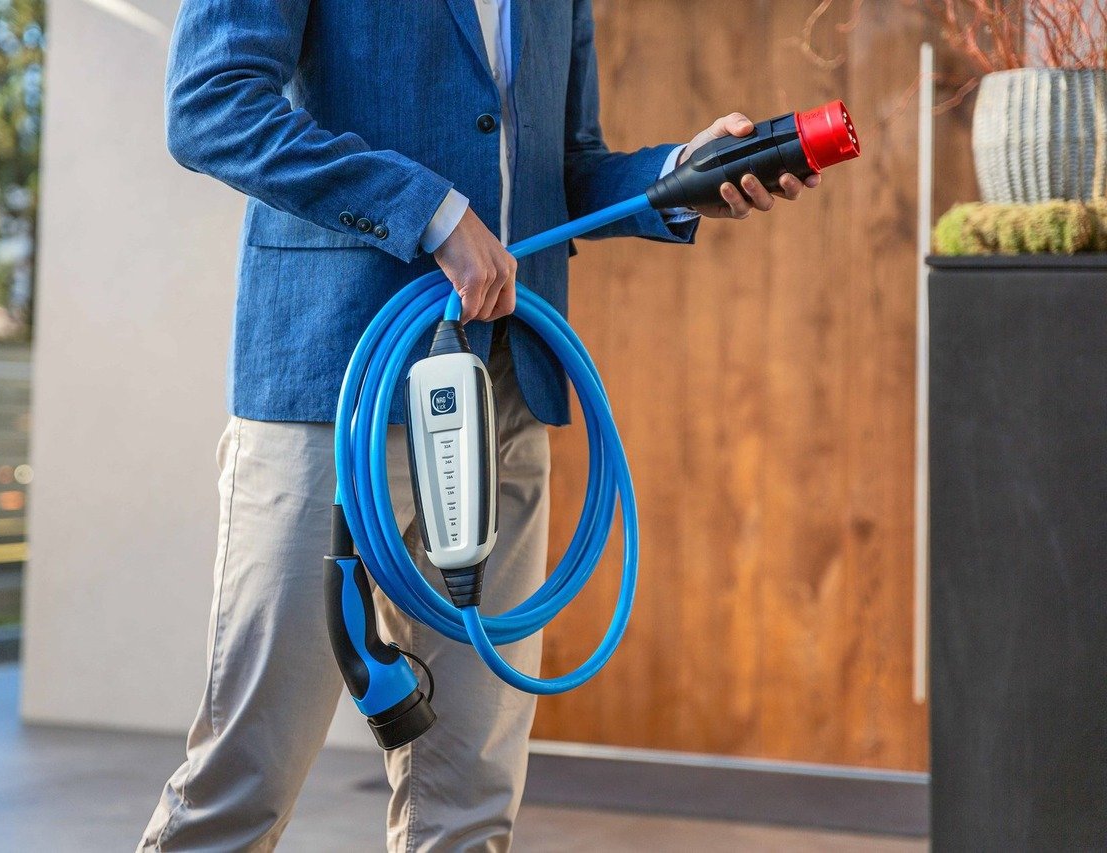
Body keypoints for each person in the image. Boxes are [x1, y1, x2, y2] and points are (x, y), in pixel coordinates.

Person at [139, 2, 820, 850]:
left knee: (470, 800)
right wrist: (427, 209)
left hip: (504, 391)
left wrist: (683, 173)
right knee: (247, 777)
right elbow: (210, 105)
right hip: (334, 390)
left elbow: (559, 172)